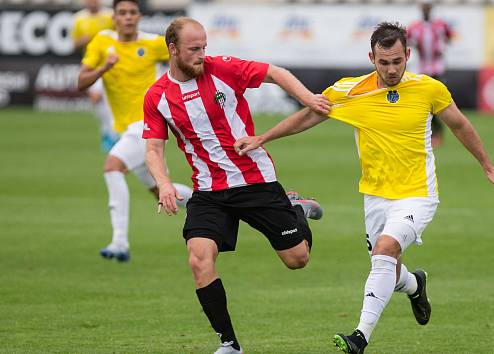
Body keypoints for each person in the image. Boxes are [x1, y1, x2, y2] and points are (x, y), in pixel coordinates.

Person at [234, 22, 494, 353]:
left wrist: (487, 165)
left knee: (384, 250)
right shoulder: (350, 91)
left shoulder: (428, 89)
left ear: (407, 55)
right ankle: (414, 285)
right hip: (375, 195)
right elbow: (309, 116)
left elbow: (460, 124)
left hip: (417, 193)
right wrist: (263, 138)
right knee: (387, 270)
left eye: (397, 61)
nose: (392, 69)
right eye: (384, 62)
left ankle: (359, 337)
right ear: (372, 57)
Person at [142, 18, 330, 354]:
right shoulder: (157, 96)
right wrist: (164, 183)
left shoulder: (224, 68)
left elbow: (276, 72)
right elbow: (154, 148)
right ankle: (229, 343)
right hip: (208, 193)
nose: (202, 54)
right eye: (193, 49)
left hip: (255, 180)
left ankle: (296, 208)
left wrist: (308, 99)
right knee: (199, 260)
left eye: (204, 47)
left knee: (297, 259)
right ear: (172, 49)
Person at [77, 0, 193, 262]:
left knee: (112, 167)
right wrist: (103, 68)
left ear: (139, 16)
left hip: (148, 123)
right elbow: (81, 82)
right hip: (124, 129)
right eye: (122, 13)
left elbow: (187, 59)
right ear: (114, 17)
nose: (127, 17)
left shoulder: (152, 44)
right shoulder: (101, 42)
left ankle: (119, 242)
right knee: (160, 190)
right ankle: (205, 203)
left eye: (132, 13)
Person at [72, 0, 118, 151]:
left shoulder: (109, 16)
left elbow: (119, 36)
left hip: (110, 64)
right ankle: (107, 131)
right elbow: (74, 43)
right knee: (96, 98)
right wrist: (82, 41)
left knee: (109, 101)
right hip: (91, 64)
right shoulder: (79, 19)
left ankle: (112, 133)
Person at [407, 2, 453, 148]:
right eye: (424, 8)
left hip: (438, 69)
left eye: (428, 8)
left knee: (439, 103)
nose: (426, 11)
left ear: (431, 10)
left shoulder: (440, 25)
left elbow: (449, 37)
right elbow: (407, 40)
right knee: (426, 105)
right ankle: (432, 134)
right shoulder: (415, 26)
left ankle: (439, 133)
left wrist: (442, 46)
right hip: (422, 69)